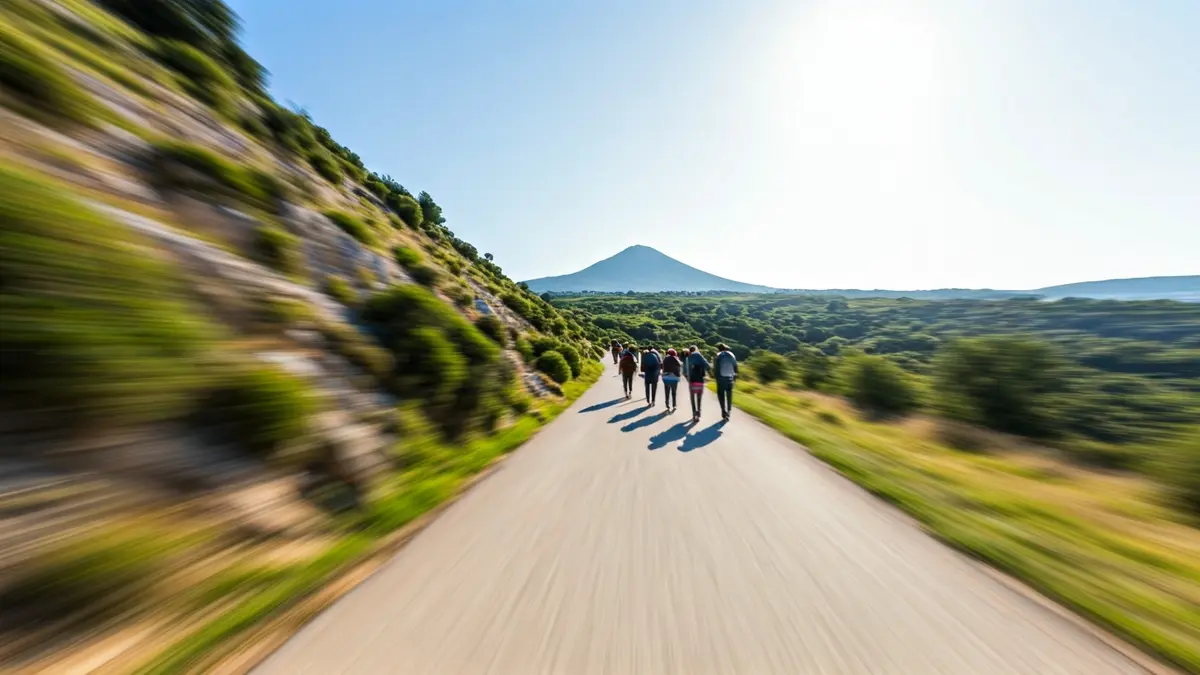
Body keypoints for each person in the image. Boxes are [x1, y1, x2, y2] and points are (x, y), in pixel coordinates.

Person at [684, 345, 711, 423]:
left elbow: (684, 372)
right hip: (700, 380)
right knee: (699, 398)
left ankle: (693, 413)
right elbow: (707, 366)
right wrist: (702, 370)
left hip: (691, 380)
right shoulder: (700, 356)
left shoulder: (687, 358)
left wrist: (687, 378)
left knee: (692, 398)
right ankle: (698, 412)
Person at [713, 343, 739, 421]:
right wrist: (734, 378)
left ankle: (723, 410)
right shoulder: (731, 355)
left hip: (721, 378)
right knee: (729, 394)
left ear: (719, 349)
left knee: (721, 395)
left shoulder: (717, 356)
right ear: (726, 348)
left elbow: (715, 368)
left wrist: (716, 378)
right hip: (730, 378)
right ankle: (729, 411)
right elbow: (735, 366)